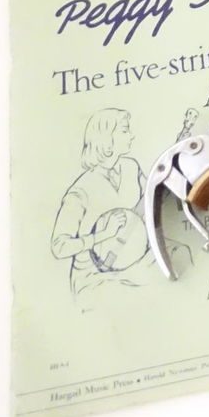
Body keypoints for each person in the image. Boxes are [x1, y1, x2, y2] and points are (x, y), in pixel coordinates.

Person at [50, 108, 161, 306]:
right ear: (107, 140)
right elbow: (59, 246)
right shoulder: (80, 191)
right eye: (125, 131)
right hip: (96, 275)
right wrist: (102, 235)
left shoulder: (130, 167)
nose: (132, 135)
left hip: (137, 259)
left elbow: (150, 199)